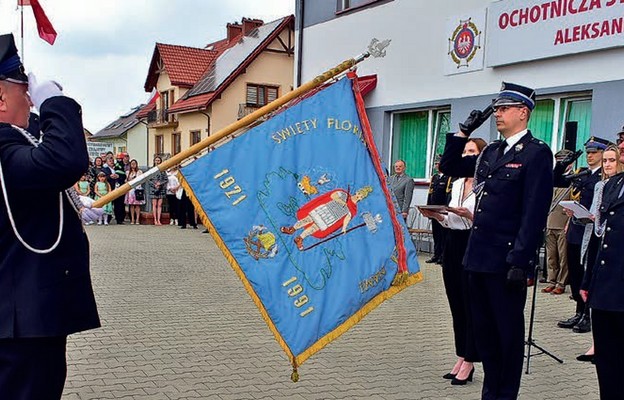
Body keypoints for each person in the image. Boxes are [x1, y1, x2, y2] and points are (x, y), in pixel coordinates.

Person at [0, 33, 99, 398]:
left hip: (23, 318)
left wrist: (74, 204)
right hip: (20, 324)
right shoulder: (3, 145)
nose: (30, 99)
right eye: (24, 91)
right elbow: (63, 158)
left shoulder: (11, 141)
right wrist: (55, 101)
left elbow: (42, 157)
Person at [440, 82, 553, 400]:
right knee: (485, 335)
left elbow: (533, 212)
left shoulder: (536, 154)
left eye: (504, 109)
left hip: (505, 263)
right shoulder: (491, 151)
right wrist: (463, 133)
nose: (498, 114)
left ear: (523, 112)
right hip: (476, 258)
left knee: (507, 336)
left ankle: (505, 395)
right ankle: (490, 392)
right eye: (497, 108)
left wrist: (521, 260)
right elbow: (449, 166)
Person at [419, 138, 486, 386]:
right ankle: (460, 355)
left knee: (470, 304)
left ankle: (470, 359)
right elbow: (451, 219)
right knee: (456, 303)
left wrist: (470, 215)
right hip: (454, 243)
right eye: (465, 152)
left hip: (474, 243)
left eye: (472, 152)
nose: (467, 156)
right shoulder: (456, 183)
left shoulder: (485, 185)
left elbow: (486, 220)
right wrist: (437, 216)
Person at [578, 144, 624, 398]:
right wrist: (588, 280)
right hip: (606, 286)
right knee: (607, 362)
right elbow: (601, 239)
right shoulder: (612, 185)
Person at [557, 136, 610, 334]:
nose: (590, 156)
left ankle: (587, 314)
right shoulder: (582, 175)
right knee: (575, 273)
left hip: (591, 232)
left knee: (587, 274)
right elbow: (559, 181)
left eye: (594, 152)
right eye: (588, 153)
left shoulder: (603, 179)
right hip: (575, 229)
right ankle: (579, 310)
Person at [542, 150, 574, 295]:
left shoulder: (575, 178)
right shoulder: (553, 176)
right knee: (551, 255)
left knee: (563, 256)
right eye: (559, 160)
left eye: (564, 160)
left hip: (563, 221)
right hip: (550, 221)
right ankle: (551, 280)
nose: (561, 163)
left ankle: (561, 282)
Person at [426, 155, 452, 264]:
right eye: (436, 164)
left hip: (442, 211)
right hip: (433, 210)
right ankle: (436, 255)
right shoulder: (435, 177)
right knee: (436, 234)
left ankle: (443, 256)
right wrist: (428, 209)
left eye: (438, 163)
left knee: (443, 235)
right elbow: (430, 193)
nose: (437, 165)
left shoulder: (449, 177)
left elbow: (448, 195)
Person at [124, 159, 145, 224]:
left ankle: (137, 219)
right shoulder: (127, 172)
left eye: (134, 163)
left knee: (137, 205)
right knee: (132, 205)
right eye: (132, 163)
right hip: (130, 190)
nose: (133, 165)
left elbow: (142, 180)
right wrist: (129, 179)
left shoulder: (139, 172)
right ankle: (132, 219)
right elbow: (126, 181)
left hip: (137, 189)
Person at [149, 156, 168, 225]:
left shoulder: (163, 169)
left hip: (161, 189)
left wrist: (160, 183)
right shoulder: (151, 170)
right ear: (154, 161)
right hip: (153, 189)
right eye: (156, 160)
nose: (157, 162)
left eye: (158, 160)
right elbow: (149, 179)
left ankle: (159, 219)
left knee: (159, 205)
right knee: (154, 205)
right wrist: (154, 184)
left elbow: (166, 179)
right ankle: (155, 219)